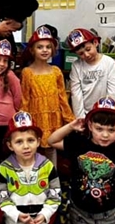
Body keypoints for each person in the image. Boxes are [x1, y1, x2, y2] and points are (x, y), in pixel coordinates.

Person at [0, 111, 61, 224]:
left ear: (38, 141)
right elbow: (1, 197)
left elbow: (55, 195)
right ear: (10, 145)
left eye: (30, 140)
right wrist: (16, 214)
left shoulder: (47, 166)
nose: (26, 146)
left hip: (41, 223)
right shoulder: (4, 168)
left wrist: (45, 214)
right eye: (19, 141)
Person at [20, 25, 75, 165]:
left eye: (48, 47)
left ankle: (53, 181)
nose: (44, 50)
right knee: (34, 151)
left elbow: (63, 97)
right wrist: (24, 122)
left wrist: (69, 119)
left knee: (52, 151)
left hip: (53, 119)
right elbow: (25, 99)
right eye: (40, 47)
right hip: (35, 118)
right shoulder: (27, 72)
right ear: (32, 50)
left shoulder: (56, 71)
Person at [66, 28, 115, 118]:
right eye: (81, 53)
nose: (86, 55)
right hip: (86, 113)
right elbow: (76, 95)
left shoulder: (109, 62)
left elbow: (113, 91)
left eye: (88, 49)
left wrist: (109, 112)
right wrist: (80, 118)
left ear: (95, 43)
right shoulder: (76, 66)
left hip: (105, 111)